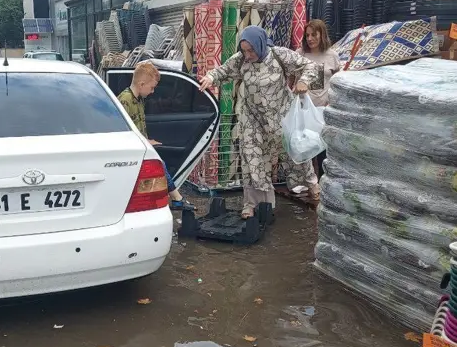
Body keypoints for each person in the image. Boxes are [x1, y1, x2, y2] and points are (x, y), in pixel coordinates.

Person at [199, 26, 320, 218]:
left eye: (251, 50)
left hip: (282, 116)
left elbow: (310, 66)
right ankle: (254, 204)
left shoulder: (279, 55)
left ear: (261, 44)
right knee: (252, 159)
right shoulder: (241, 59)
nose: (248, 55)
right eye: (244, 51)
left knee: (295, 153)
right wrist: (210, 77)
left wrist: (304, 81)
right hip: (253, 119)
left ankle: (313, 186)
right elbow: (223, 71)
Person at [117, 62, 194, 211]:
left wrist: (147, 140)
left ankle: (175, 199)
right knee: (159, 164)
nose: (153, 92)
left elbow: (137, 126)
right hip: (133, 150)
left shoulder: (138, 99)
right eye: (152, 87)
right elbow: (123, 131)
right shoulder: (125, 100)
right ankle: (177, 198)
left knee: (159, 163)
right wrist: (144, 142)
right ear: (141, 84)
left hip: (141, 147)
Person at [295, 19, 340, 180]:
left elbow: (337, 81)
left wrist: (332, 101)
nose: (310, 38)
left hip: (323, 111)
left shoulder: (332, 56)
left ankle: (322, 182)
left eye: (314, 35)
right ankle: (305, 183)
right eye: (307, 35)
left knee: (322, 148)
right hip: (303, 110)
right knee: (304, 148)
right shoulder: (300, 54)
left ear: (322, 34)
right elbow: (290, 77)